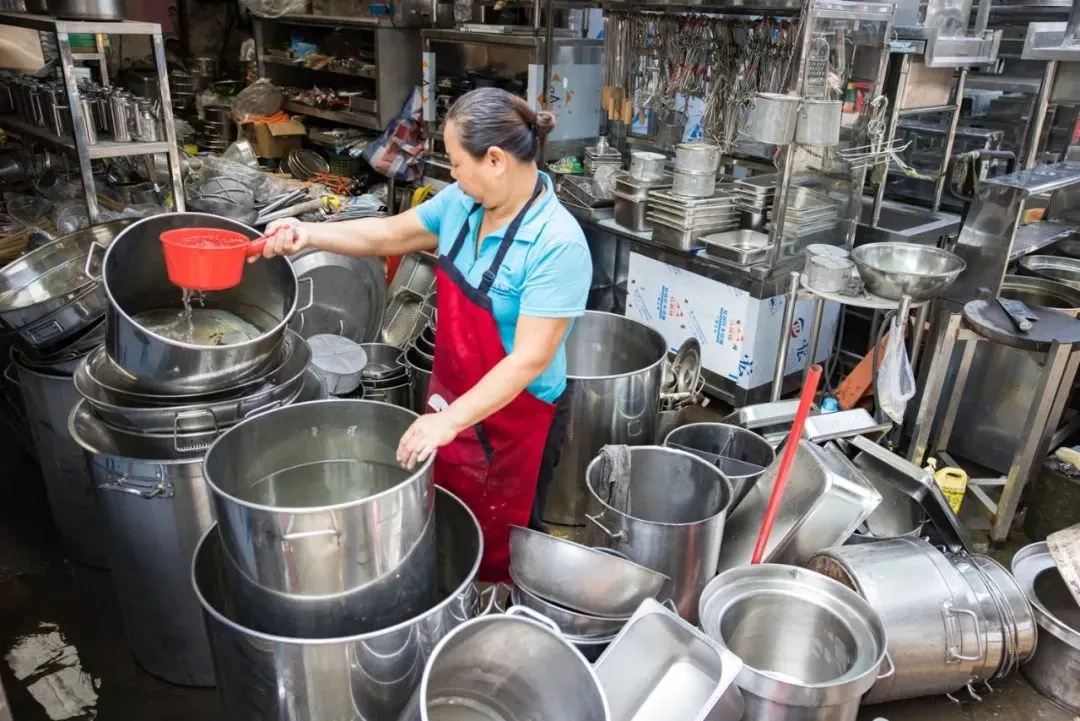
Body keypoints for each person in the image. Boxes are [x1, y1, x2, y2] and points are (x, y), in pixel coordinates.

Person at [260, 87, 593, 582]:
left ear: (496, 160)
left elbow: (528, 359)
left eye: (458, 163)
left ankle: (503, 627)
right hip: (454, 400)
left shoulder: (557, 243)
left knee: (508, 547)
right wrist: (309, 234)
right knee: (449, 522)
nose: (453, 175)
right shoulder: (462, 204)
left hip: (517, 422)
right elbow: (389, 234)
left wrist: (449, 422)